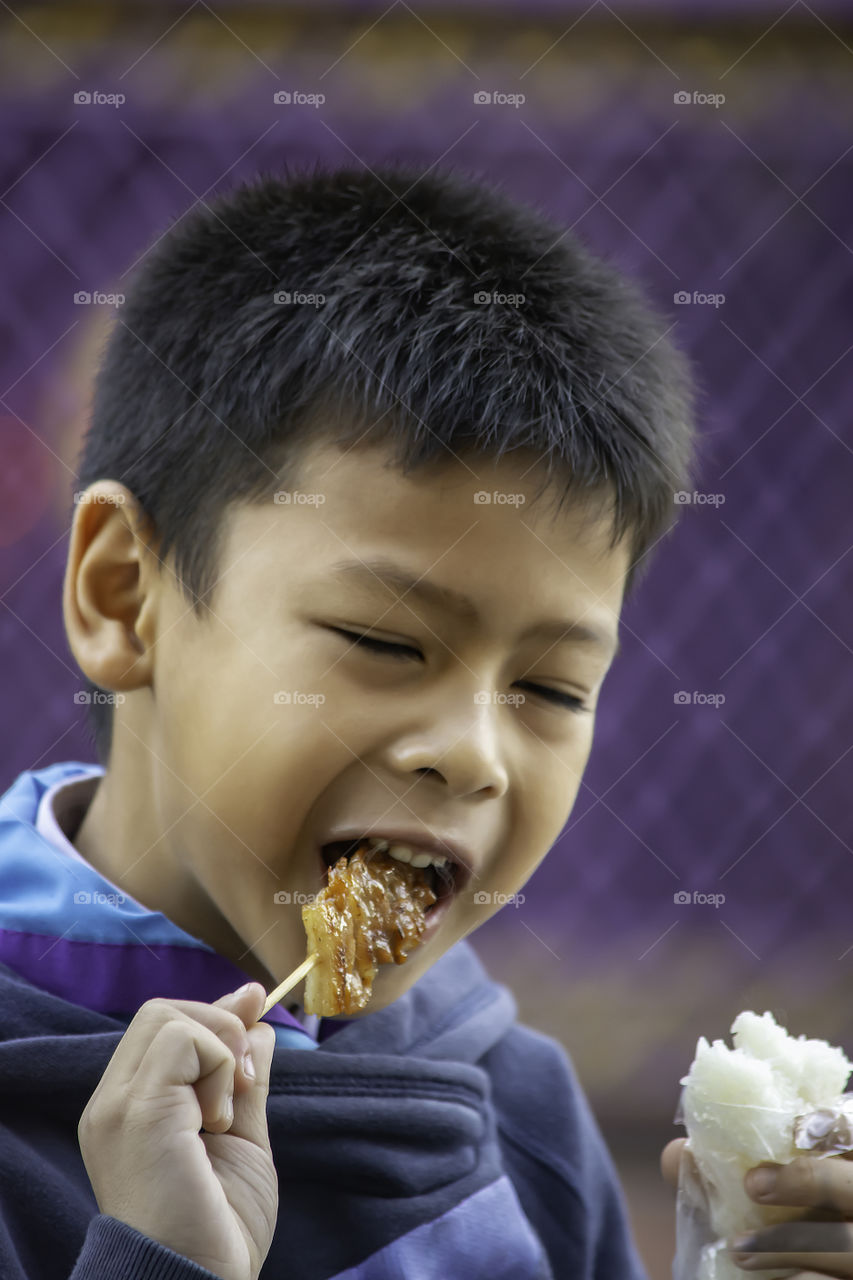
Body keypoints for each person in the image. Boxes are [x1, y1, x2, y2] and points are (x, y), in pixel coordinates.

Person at [1, 163, 700, 1280]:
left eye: (553, 689)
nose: (472, 750)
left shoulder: (519, 1118)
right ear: (124, 593)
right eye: (384, 641)